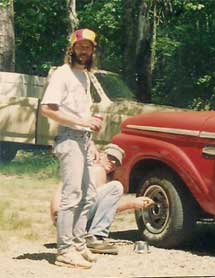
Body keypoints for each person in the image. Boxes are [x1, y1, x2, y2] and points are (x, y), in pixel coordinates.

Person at [41, 28, 103, 269]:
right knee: (72, 195)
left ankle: (77, 243)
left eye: (88, 47)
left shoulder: (85, 75)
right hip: (68, 138)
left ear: (93, 50)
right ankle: (64, 251)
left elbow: (82, 113)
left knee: (88, 194)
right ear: (72, 49)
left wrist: (92, 138)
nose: (84, 50)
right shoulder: (62, 74)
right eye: (80, 46)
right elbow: (47, 108)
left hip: (84, 139)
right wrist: (80, 123)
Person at [50, 143, 154, 255]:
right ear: (100, 155)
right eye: (111, 157)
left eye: (117, 161)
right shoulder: (97, 170)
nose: (113, 162)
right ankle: (96, 237)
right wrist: (132, 203)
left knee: (114, 187)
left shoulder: (85, 168)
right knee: (116, 187)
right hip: (69, 218)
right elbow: (100, 206)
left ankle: (87, 237)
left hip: (65, 220)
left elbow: (102, 208)